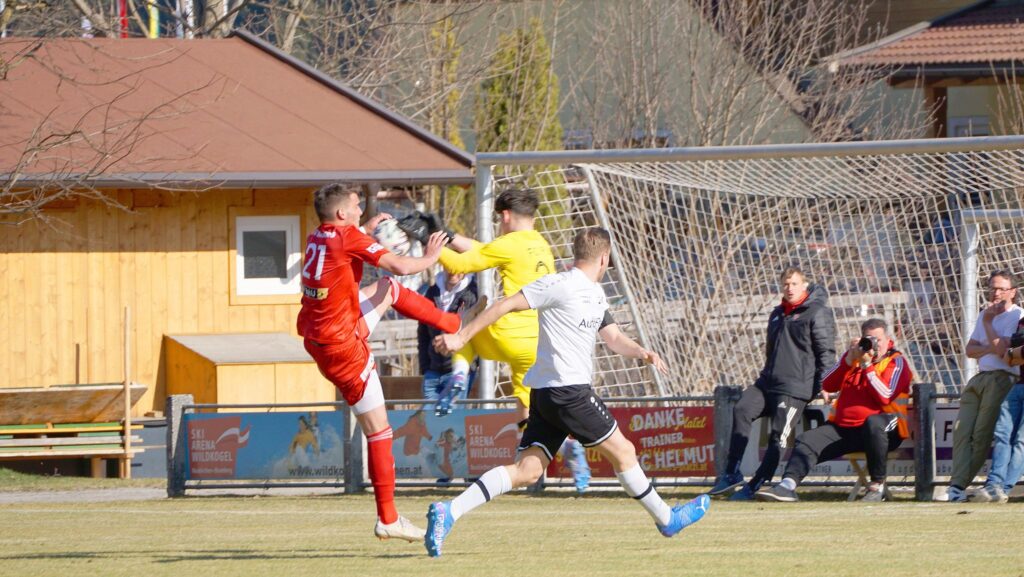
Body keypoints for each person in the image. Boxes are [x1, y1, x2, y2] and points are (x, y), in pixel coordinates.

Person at [423, 228, 709, 557]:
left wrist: (642, 352)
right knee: (625, 452)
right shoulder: (558, 283)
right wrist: (462, 337)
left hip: (546, 396)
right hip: (569, 393)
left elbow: (613, 337)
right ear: (605, 258)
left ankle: (450, 511)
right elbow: (505, 305)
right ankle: (667, 519)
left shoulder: (595, 293)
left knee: (527, 471)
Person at [296, 183, 460, 542]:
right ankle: (388, 518)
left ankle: (453, 325)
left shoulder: (318, 236)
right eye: (356, 207)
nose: (360, 211)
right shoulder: (345, 238)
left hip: (326, 334)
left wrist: (366, 231)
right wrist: (432, 256)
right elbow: (401, 264)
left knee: (388, 289)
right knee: (379, 430)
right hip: (342, 346)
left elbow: (349, 249)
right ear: (341, 215)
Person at [709, 266, 836, 500]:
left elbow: (826, 351)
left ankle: (754, 485)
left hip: (795, 387)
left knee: (779, 436)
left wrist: (826, 382)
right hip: (767, 383)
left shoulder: (817, 312)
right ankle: (731, 473)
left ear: (805, 286)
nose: (789, 288)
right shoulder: (777, 313)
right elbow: (771, 351)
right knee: (742, 409)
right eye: (786, 284)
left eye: (794, 284)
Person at [755, 318, 913, 502]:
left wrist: (867, 367)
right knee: (807, 440)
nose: (873, 344)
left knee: (873, 423)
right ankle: (787, 486)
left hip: (885, 428)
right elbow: (828, 384)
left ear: (887, 340)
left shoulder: (896, 362)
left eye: (877, 339)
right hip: (846, 428)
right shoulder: (855, 358)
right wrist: (848, 359)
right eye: (868, 339)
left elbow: (885, 394)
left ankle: (877, 487)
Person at [948, 270, 1022, 502]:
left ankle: (968, 486)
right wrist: (992, 343)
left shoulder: (1018, 316)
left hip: (1003, 378)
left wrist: (990, 328)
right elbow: (970, 350)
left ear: (1013, 291)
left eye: (1001, 288)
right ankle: (956, 485)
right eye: (992, 288)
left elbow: (1006, 355)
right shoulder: (984, 314)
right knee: (962, 431)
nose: (995, 292)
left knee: (983, 435)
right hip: (980, 377)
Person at [417, 270, 478, 416]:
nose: (453, 272)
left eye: (458, 267)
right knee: (429, 419)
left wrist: (472, 366)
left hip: (458, 370)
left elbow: (477, 332)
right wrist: (425, 367)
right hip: (432, 370)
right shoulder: (432, 292)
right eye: (449, 266)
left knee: (452, 420)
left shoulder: (472, 294)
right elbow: (423, 333)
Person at [973, 330, 1024, 503]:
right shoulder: (1021, 322)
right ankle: (993, 484)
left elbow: (1012, 354)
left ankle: (1004, 489)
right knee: (1002, 434)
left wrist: (1013, 351)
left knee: (1021, 440)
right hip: (1018, 385)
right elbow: (1007, 359)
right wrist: (1013, 352)